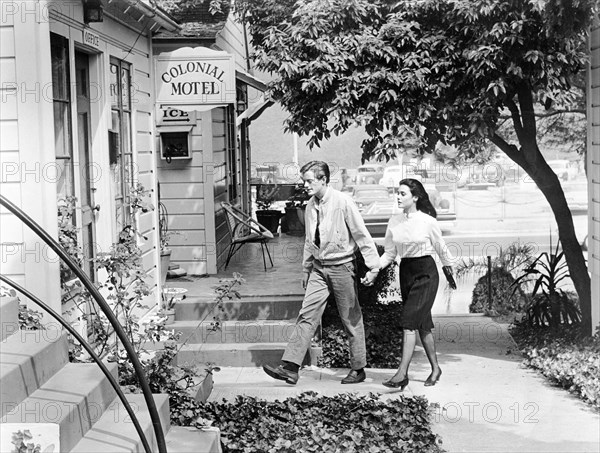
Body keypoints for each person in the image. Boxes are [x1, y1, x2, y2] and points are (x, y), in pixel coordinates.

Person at [263, 160, 381, 385]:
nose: (306, 185)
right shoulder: (310, 206)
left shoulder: (343, 202)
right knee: (306, 315)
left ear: (323, 179)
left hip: (342, 266)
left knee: (351, 319)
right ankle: (290, 367)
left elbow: (361, 234)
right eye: (304, 181)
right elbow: (310, 240)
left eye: (309, 181)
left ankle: (358, 369)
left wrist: (374, 267)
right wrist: (306, 269)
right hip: (318, 268)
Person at [363, 178, 455, 390]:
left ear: (415, 197)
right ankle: (436, 369)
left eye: (402, 193)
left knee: (408, 322)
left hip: (426, 274)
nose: (398, 196)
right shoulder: (394, 221)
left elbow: (441, 248)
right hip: (406, 273)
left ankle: (401, 374)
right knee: (422, 325)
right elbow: (389, 253)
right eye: (397, 192)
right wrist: (374, 272)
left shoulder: (427, 221)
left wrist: (450, 273)